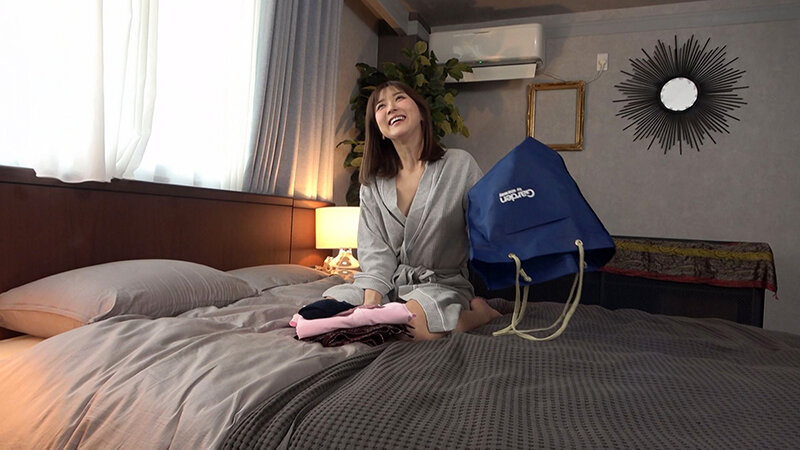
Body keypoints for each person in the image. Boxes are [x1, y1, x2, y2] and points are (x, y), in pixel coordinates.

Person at [322, 80, 501, 340]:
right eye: (381, 106)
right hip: (389, 284)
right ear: (380, 130)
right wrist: (370, 304)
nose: (391, 108)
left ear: (421, 113)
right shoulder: (373, 184)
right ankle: (381, 315)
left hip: (441, 284)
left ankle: (481, 315)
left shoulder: (459, 165)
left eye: (399, 98)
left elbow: (487, 223)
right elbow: (375, 250)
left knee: (411, 327)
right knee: (324, 313)